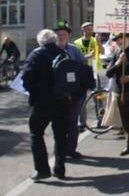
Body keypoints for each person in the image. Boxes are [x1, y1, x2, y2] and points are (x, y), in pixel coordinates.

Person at [21, 29, 70, 181]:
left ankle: (42, 170)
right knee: (61, 136)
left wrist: (34, 91)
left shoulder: (36, 55)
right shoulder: (63, 54)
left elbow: (26, 78)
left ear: (40, 42)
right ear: (54, 40)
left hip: (42, 102)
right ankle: (60, 169)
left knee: (36, 133)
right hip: (62, 101)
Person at [54, 19, 91, 158]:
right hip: (57, 95)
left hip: (74, 94)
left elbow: (84, 68)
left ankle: (71, 149)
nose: (61, 36)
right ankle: (60, 150)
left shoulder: (74, 50)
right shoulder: (52, 50)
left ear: (68, 36)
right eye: (58, 34)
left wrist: (83, 87)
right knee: (59, 124)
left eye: (64, 34)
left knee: (73, 123)